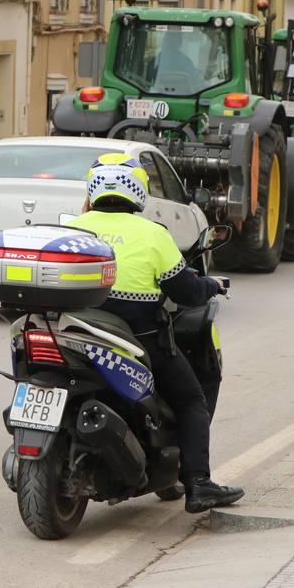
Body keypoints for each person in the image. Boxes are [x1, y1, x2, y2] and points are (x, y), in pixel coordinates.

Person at [68, 154, 244, 514]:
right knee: (191, 399)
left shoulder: (72, 228)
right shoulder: (153, 234)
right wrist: (210, 285)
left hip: (73, 333)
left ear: (92, 189)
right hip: (138, 341)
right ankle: (198, 483)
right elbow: (185, 293)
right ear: (138, 191)